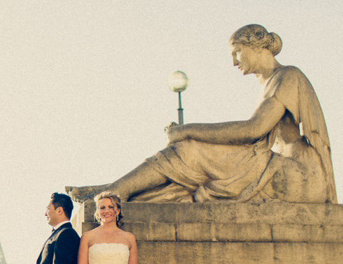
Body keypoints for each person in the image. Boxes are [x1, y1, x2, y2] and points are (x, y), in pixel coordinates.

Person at [67, 24, 336, 204]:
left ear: (256, 47)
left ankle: (114, 192)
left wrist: (188, 128)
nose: (233, 61)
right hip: (275, 166)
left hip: (300, 177)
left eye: (237, 52)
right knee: (189, 171)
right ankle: (117, 191)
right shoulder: (270, 82)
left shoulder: (287, 76)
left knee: (190, 150)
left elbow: (254, 129)